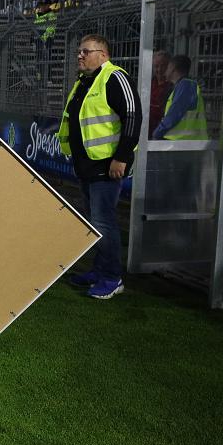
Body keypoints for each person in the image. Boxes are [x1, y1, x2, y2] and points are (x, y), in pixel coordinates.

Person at [60, 34, 142, 299]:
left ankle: (112, 278)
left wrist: (122, 157)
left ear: (103, 54)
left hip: (106, 167)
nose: (80, 55)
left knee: (103, 223)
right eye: (79, 51)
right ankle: (99, 270)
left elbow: (132, 116)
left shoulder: (115, 77)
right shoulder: (85, 82)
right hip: (87, 167)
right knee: (94, 224)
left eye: (86, 51)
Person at [151, 54, 207, 140]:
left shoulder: (186, 86)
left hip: (185, 144)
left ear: (173, 68)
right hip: (184, 143)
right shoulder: (182, 86)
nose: (165, 71)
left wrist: (157, 133)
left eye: (167, 67)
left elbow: (174, 114)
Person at [149, 50, 172, 138]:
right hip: (147, 130)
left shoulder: (172, 86)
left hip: (163, 132)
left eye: (163, 66)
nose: (159, 69)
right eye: (156, 66)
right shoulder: (148, 84)